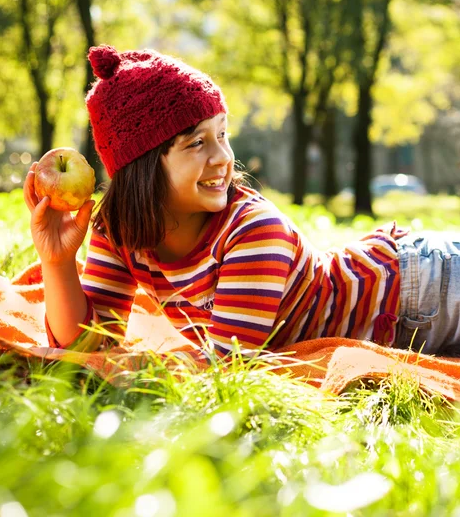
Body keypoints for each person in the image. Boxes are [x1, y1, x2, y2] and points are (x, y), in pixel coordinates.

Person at [24, 45, 460, 365]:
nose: (223, 157)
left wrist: (132, 370)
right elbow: (86, 348)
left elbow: (223, 368)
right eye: (197, 142)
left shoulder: (253, 230)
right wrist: (58, 261)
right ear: (141, 166)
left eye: (223, 134)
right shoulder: (120, 232)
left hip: (423, 288)